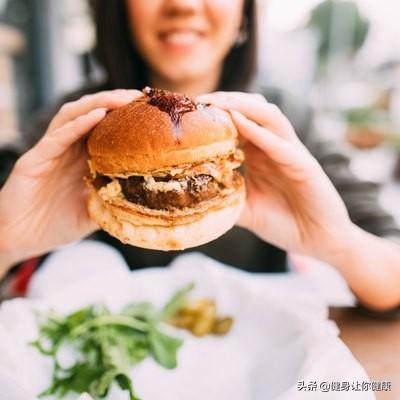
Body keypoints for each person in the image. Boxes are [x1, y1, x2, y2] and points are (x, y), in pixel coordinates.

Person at [1, 0, 400, 311]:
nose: (184, 5)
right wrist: (9, 242)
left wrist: (337, 243)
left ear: (244, 12)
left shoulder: (282, 125)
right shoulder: (71, 129)